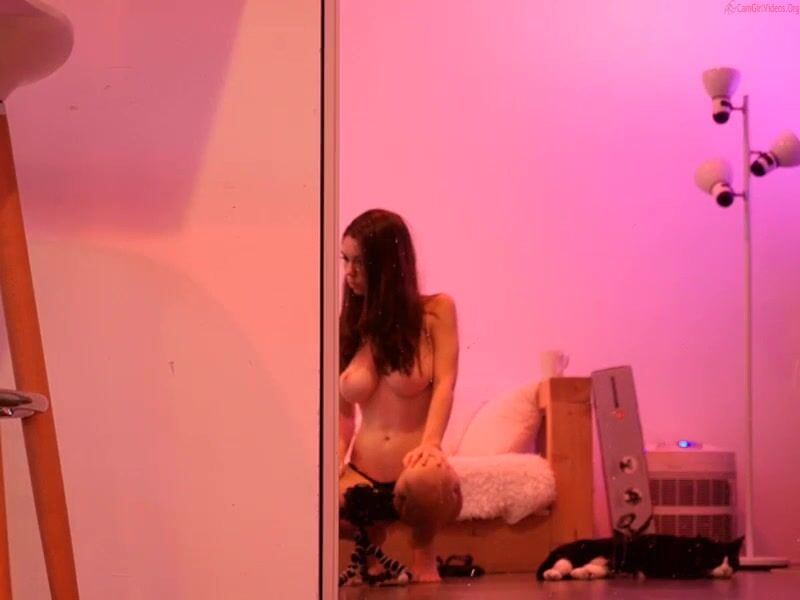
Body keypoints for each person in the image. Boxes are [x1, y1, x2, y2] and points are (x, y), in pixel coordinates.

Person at [338, 208, 462, 584]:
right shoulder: (349, 325)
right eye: (345, 260)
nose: (349, 273)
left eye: (360, 262)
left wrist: (432, 444)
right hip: (363, 470)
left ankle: (424, 553)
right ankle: (371, 549)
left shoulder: (436, 311)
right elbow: (344, 413)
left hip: (414, 468)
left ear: (387, 264)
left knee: (424, 485)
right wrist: (334, 461)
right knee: (311, 496)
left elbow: (445, 383)